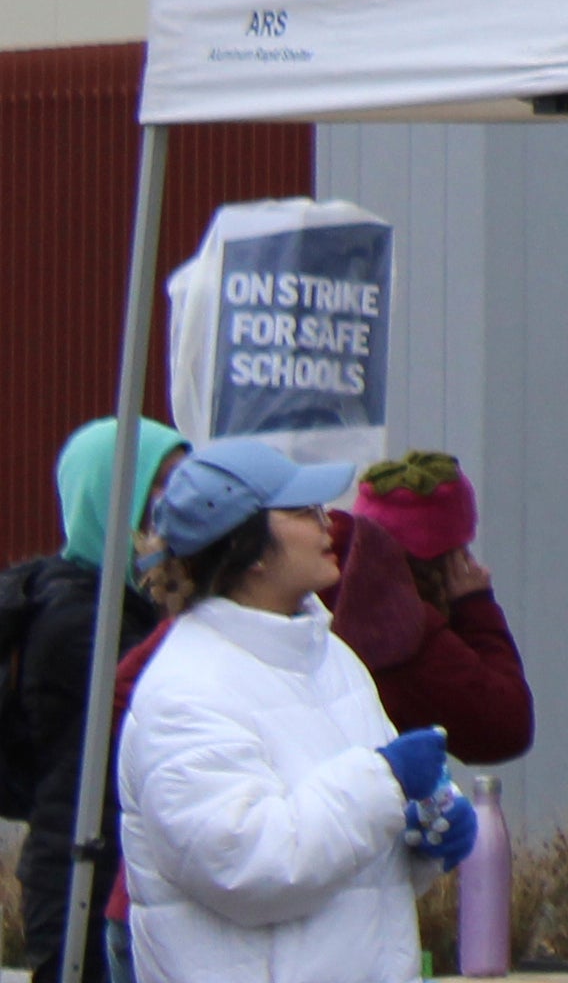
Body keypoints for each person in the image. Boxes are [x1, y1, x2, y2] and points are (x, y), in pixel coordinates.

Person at [107, 437, 476, 983]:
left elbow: (356, 861)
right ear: (249, 548)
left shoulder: (331, 658)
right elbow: (250, 865)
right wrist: (387, 779)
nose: (328, 523)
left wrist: (424, 834)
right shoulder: (184, 691)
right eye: (303, 512)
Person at [14, 421, 180, 983]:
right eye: (160, 485)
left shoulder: (122, 610)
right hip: (81, 893)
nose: (174, 504)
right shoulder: (84, 620)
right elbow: (164, 701)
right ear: (113, 500)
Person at [322, 455, 528, 767]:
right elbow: (505, 727)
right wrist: (474, 606)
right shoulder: (398, 625)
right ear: (449, 560)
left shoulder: (317, 586)